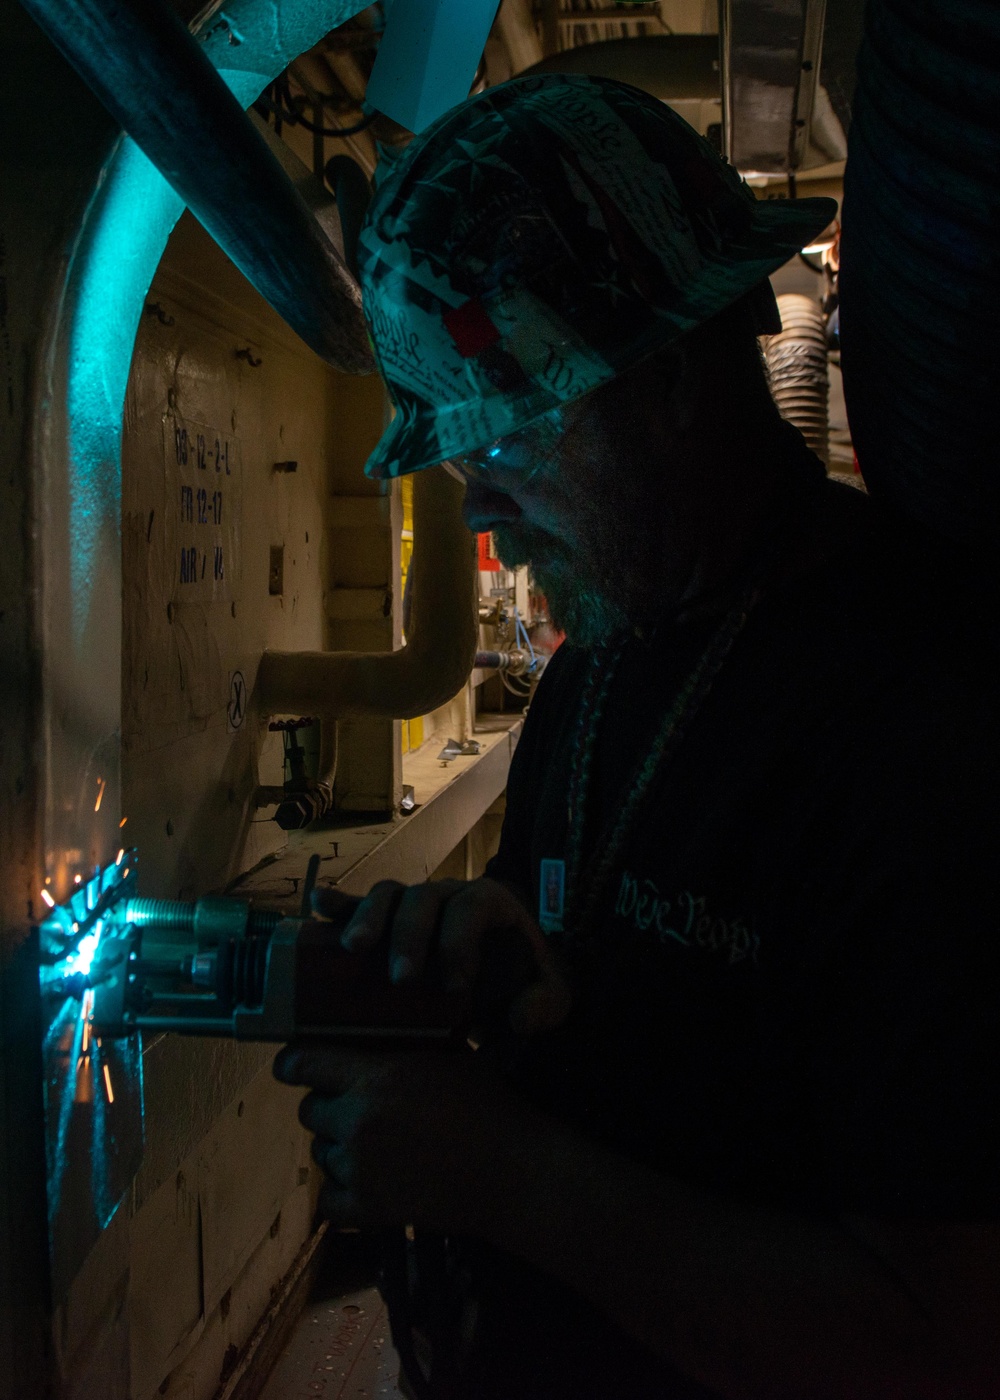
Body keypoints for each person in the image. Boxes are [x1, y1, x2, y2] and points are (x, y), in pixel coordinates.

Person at [274, 75, 1000, 1399]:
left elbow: (935, 1347)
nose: (482, 505)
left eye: (506, 434)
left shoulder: (923, 719)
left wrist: (498, 1173)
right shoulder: (601, 668)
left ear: (665, 380)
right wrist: (511, 938)